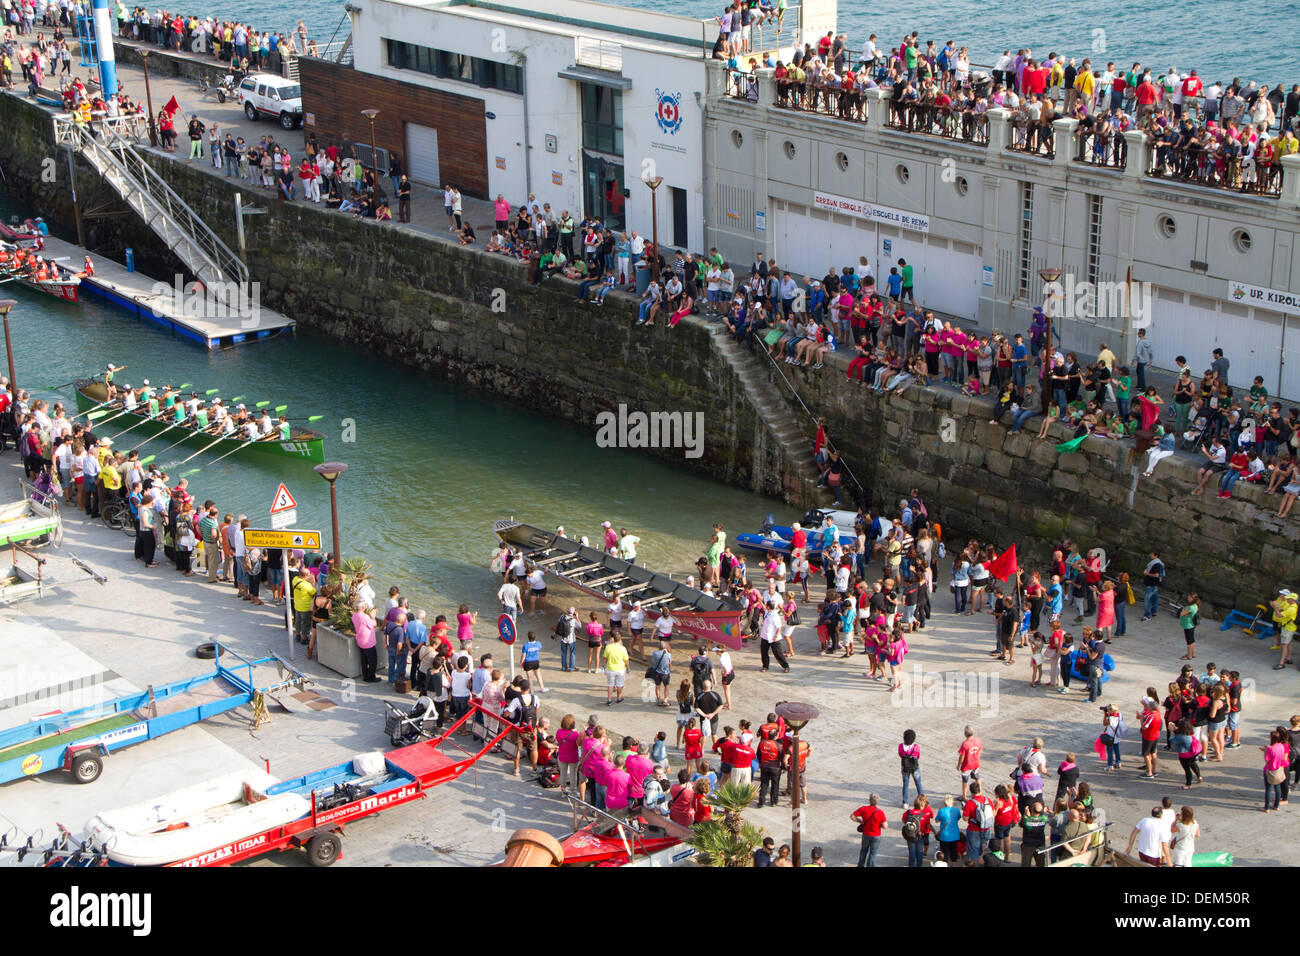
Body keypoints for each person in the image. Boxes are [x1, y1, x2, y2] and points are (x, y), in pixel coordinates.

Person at [602, 632, 629, 705]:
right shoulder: (623, 648)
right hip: (620, 670)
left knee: (610, 685)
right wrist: (628, 668)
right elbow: (626, 660)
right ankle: (619, 698)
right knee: (619, 685)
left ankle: (609, 700)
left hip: (610, 669)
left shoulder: (608, 647)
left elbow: (604, 658)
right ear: (620, 640)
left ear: (613, 639)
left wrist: (603, 666)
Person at [899, 729, 922, 808]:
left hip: (905, 767)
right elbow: (918, 756)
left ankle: (905, 802)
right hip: (914, 767)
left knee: (905, 784)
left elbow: (900, 754)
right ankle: (922, 800)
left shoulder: (901, 746)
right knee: (918, 783)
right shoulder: (916, 747)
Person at [957, 724, 981, 798]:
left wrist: (959, 765)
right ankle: (980, 793)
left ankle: (964, 796)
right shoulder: (978, 740)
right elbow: (980, 750)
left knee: (965, 780)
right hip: (976, 763)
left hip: (967, 765)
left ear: (965, 734)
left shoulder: (965, 744)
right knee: (977, 777)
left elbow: (962, 756)